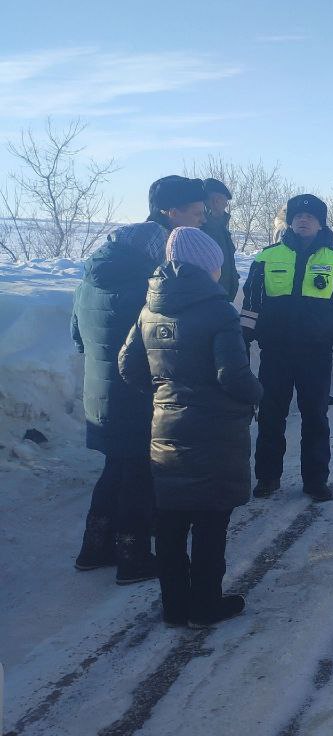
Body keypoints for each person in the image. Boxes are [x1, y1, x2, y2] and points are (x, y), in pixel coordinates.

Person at [119, 227, 262, 627]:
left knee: (170, 520)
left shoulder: (150, 307)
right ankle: (205, 606)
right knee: (211, 521)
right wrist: (257, 394)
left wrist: (166, 391)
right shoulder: (219, 311)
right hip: (214, 431)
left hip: (165, 427)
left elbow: (128, 367)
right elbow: (232, 376)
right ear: (209, 267)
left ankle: (174, 606)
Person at [241, 194, 333, 502]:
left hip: (315, 353)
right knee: (270, 416)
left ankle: (316, 481)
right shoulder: (267, 257)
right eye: (297, 216)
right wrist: (243, 336)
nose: (303, 220)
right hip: (276, 351)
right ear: (290, 222)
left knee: (315, 417)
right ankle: (267, 478)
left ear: (320, 222)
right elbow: (252, 303)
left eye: (310, 216)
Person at [71, 221, 167, 583]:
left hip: (100, 394)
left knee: (115, 470)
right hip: (137, 394)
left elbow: (77, 336)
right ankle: (134, 556)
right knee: (139, 475)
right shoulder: (145, 287)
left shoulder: (87, 282)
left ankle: (93, 548)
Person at [201, 178, 240, 301]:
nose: (226, 205)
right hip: (207, 300)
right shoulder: (202, 230)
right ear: (216, 201)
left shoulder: (220, 229)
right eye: (225, 200)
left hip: (220, 298)